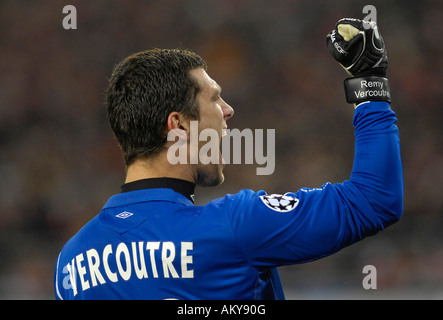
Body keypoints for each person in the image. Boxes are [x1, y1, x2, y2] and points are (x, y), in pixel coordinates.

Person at [54, 18, 403, 300]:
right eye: (215, 100)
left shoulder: (71, 263)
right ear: (177, 125)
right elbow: (373, 201)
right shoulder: (234, 226)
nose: (228, 110)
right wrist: (369, 83)